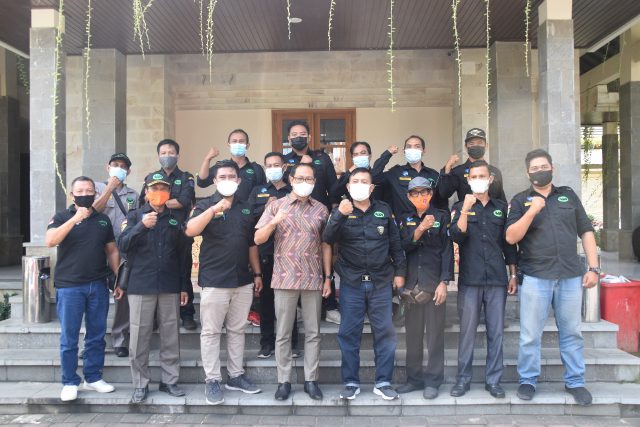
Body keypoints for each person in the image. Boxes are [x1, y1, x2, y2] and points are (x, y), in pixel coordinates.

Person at [506, 149, 599, 406]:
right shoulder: (520, 200)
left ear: (552, 168)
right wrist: (532, 211)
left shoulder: (568, 195)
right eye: (534, 168)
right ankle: (527, 380)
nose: (540, 171)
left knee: (572, 333)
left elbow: (586, 231)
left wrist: (593, 268)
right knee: (530, 335)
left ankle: (575, 382)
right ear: (527, 173)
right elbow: (511, 237)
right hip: (536, 276)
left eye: (543, 166)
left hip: (570, 275)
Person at [323, 168, 406, 401]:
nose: (359, 185)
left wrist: (400, 272)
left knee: (385, 333)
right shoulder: (340, 211)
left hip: (381, 282)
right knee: (349, 333)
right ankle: (351, 382)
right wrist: (339, 215)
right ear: (348, 187)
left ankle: (383, 382)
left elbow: (396, 244)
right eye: (355, 181)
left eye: (364, 182)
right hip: (352, 282)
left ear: (371, 188)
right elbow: (327, 238)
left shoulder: (384, 210)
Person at [186, 160, 263, 405]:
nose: (228, 180)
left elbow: (251, 244)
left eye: (232, 176)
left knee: (237, 330)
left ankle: (235, 375)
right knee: (211, 332)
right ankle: (212, 380)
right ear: (215, 181)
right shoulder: (205, 205)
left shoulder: (245, 207)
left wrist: (257, 274)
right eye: (222, 176)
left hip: (242, 280)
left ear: (238, 181)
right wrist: (213, 210)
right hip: (215, 280)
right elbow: (190, 230)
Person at [255, 163, 332, 401]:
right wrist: (274, 222)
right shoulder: (275, 205)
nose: (304, 182)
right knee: (283, 333)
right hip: (284, 278)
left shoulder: (321, 209)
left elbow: (326, 245)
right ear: (291, 179)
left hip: (312, 278)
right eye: (300, 178)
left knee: (313, 333)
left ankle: (311, 380)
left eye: (309, 179)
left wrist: (328, 277)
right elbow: (258, 238)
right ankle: (284, 381)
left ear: (314, 182)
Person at [45, 176, 120, 402]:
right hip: (70, 286)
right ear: (72, 195)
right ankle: (69, 381)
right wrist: (75, 219)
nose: (85, 194)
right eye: (80, 191)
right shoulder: (61, 217)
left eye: (89, 190)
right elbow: (50, 240)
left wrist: (118, 278)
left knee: (96, 334)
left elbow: (112, 250)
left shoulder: (103, 220)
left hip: (97, 284)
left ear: (95, 193)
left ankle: (93, 377)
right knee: (69, 337)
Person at [117, 173, 190, 404]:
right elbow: (122, 245)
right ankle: (140, 384)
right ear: (146, 193)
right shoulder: (133, 216)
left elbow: (183, 256)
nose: (159, 193)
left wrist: (184, 286)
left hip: (169, 285)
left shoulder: (174, 220)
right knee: (139, 336)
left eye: (163, 189)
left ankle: (169, 381)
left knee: (171, 336)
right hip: (141, 285)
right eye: (154, 189)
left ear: (168, 193)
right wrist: (141, 226)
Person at [449, 160, 517, 398]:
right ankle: (462, 380)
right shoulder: (460, 206)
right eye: (474, 176)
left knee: (496, 332)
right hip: (471, 279)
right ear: (468, 180)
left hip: (497, 279)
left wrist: (513, 274)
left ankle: (494, 381)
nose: (478, 180)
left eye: (482, 176)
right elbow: (456, 236)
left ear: (490, 179)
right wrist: (466, 209)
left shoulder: (501, 208)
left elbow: (509, 245)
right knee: (467, 332)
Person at [395, 177, 453, 400]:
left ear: (430, 194)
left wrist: (444, 282)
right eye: (415, 193)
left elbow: (447, 251)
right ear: (409, 197)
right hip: (411, 286)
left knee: (435, 336)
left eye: (424, 192)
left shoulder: (441, 217)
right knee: (413, 336)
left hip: (434, 285)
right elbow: (402, 247)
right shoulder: (404, 218)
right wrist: (420, 229)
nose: (420, 196)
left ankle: (433, 381)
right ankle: (414, 379)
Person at [283, 120, 340, 324]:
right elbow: (283, 186)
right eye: (294, 134)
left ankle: (330, 306)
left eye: (302, 134)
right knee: (296, 260)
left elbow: (333, 187)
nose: (298, 137)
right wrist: (302, 164)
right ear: (288, 138)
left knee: (325, 259)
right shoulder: (284, 161)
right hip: (292, 219)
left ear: (309, 136)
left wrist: (334, 211)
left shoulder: (322, 158)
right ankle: (298, 308)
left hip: (319, 215)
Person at [247, 152, 300, 359]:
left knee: (289, 303)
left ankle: (292, 344)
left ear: (284, 167)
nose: (273, 168)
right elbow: (249, 217)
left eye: (276, 164)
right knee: (266, 301)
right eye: (268, 165)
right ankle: (267, 343)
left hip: (289, 254)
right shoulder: (258, 190)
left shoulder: (293, 190)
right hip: (266, 253)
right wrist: (266, 208)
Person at [140, 139, 197, 330]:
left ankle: (187, 313)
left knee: (184, 270)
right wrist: (166, 202)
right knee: (157, 271)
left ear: (178, 155)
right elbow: (143, 203)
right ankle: (155, 316)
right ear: (158, 156)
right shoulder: (150, 177)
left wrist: (158, 202)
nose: (167, 156)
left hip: (180, 231)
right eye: (163, 153)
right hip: (155, 230)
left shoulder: (186, 177)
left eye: (171, 152)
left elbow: (184, 201)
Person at [92, 153, 139, 358]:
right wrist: (109, 188)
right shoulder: (95, 188)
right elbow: (93, 211)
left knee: (121, 293)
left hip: (121, 250)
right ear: (107, 167)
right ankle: (92, 341)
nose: (119, 168)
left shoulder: (133, 195)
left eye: (123, 166)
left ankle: (119, 339)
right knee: (94, 295)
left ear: (128, 171)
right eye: (115, 164)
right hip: (96, 249)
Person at [371, 135, 447, 217]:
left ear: (424, 151)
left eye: (417, 146)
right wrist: (388, 154)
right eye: (409, 147)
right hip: (403, 222)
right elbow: (374, 177)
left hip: (429, 221)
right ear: (404, 151)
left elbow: (442, 201)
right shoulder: (395, 173)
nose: (413, 149)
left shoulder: (433, 174)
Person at [438, 128, 506, 204]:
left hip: (492, 211)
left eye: (480, 143)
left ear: (486, 145)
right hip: (467, 210)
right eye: (471, 144)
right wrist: (448, 167)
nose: (476, 146)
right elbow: (444, 194)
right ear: (465, 147)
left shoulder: (495, 171)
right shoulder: (458, 171)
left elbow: (502, 200)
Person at [196, 128, 267, 202]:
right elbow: (202, 182)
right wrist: (207, 159)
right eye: (234, 141)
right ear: (229, 145)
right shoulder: (222, 167)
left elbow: (263, 193)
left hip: (248, 208)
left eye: (241, 141)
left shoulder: (256, 169)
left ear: (247, 145)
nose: (238, 144)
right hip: (223, 208)